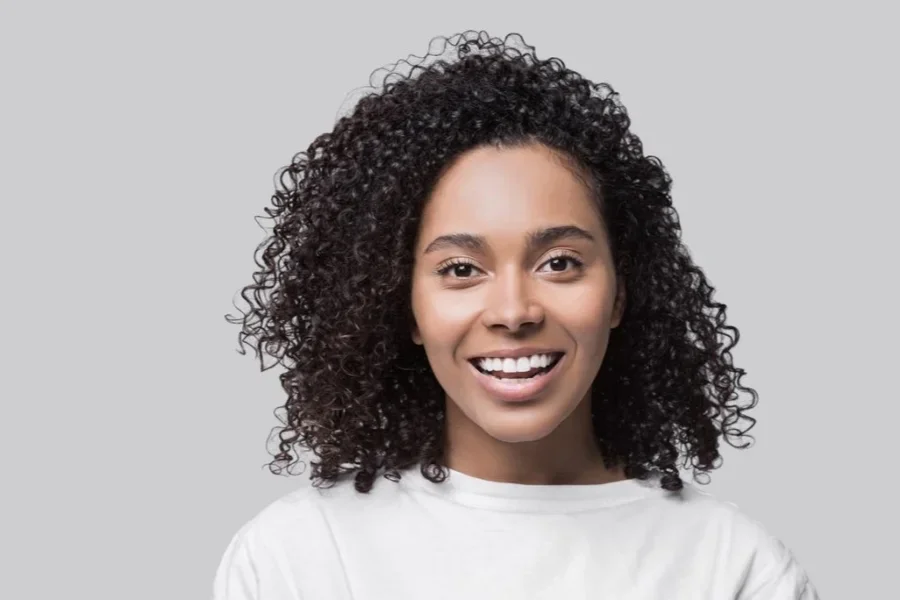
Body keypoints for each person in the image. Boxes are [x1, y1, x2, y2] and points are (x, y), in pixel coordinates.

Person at [216, 30, 819, 599]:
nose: (513, 311)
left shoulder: (731, 566)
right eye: (460, 270)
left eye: (559, 263)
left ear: (620, 293)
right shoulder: (297, 558)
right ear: (405, 309)